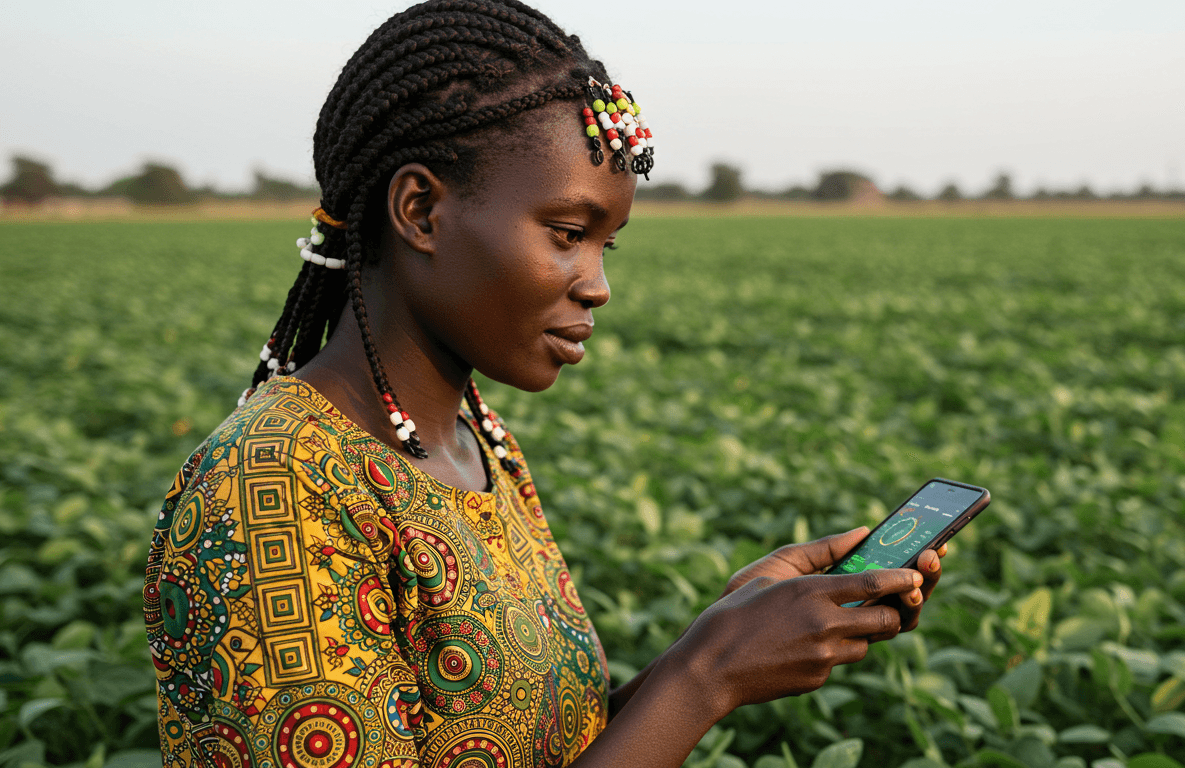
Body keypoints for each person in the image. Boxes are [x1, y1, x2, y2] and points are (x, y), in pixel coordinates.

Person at [143, 2, 948, 765]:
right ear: (420, 210)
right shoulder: (273, 487)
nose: (595, 284)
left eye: (607, 245)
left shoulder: (470, 439)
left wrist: (726, 635)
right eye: (567, 234)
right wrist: (706, 676)